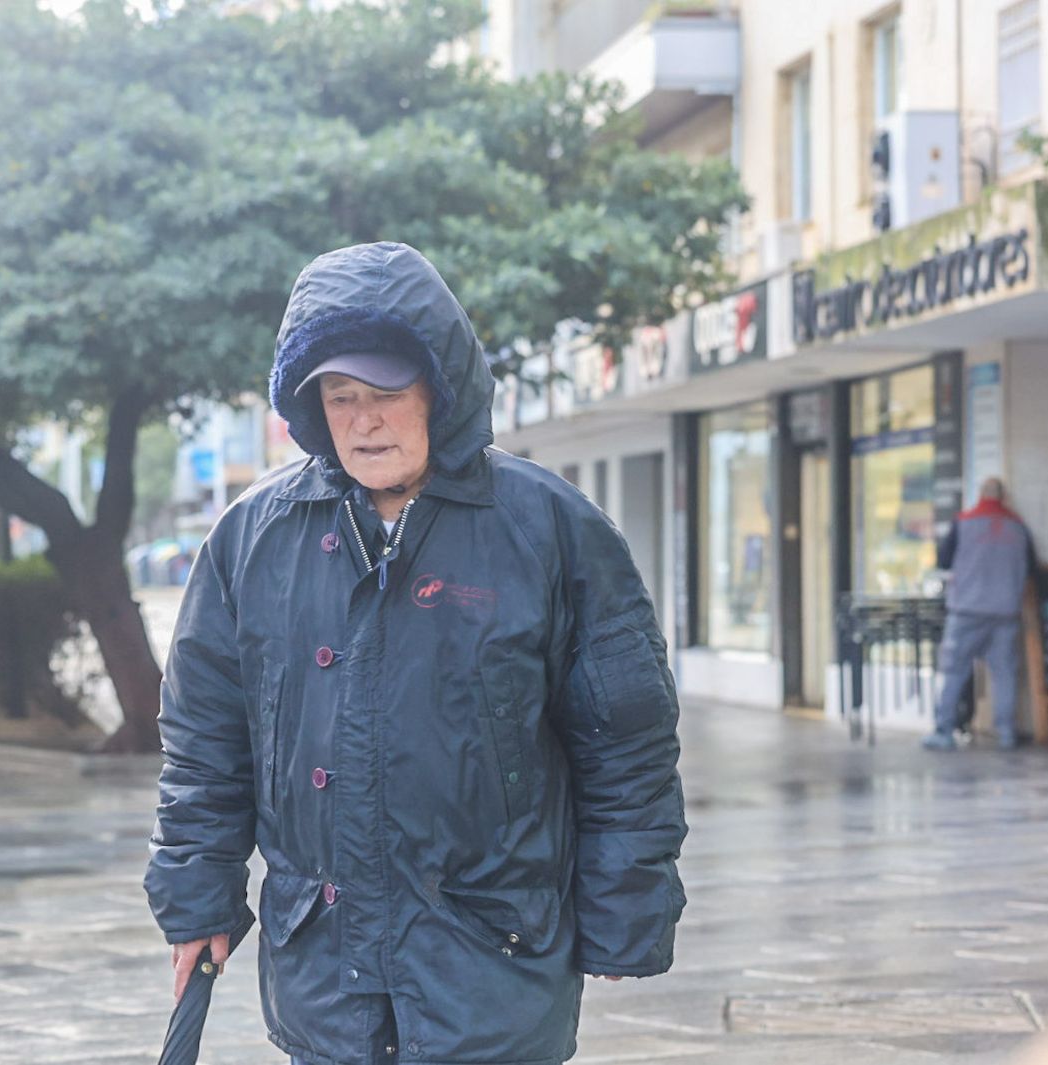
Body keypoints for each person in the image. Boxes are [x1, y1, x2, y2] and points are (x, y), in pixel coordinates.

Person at [144, 242, 685, 1065]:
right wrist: (196, 896)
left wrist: (624, 905)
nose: (365, 420)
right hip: (324, 967)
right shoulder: (251, 540)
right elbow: (203, 742)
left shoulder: (548, 526)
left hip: (495, 959)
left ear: (440, 387)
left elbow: (626, 737)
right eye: (341, 396)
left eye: (387, 393)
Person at [924, 476, 1037, 751]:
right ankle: (1006, 732)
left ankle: (944, 730)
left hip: (967, 610)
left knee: (954, 671)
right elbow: (1032, 568)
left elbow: (943, 560)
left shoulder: (964, 522)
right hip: (1006, 611)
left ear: (980, 495)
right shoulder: (1018, 526)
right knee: (1004, 673)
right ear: (1004, 497)